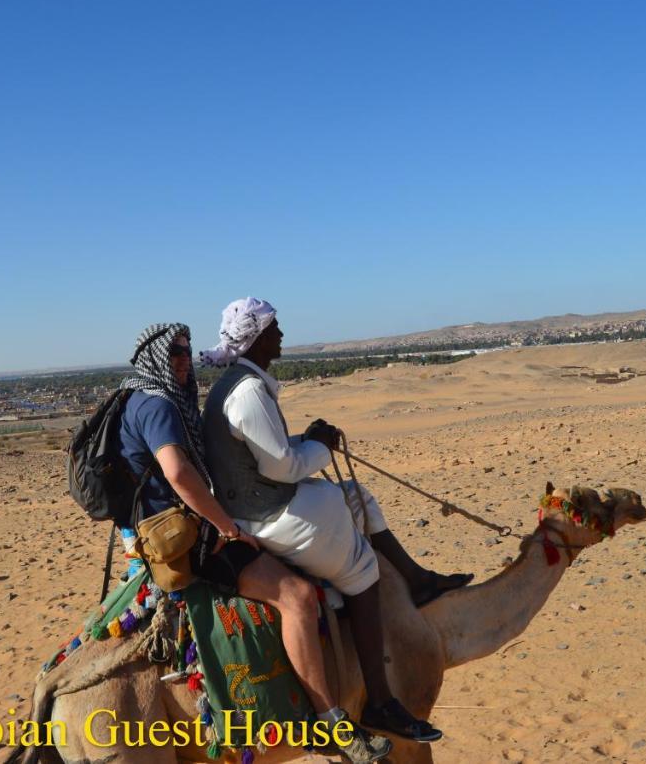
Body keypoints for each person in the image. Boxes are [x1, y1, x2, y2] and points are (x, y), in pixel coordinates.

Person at [200, 299, 472, 744]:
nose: (281, 335)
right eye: (274, 328)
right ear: (257, 337)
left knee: (357, 497)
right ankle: (381, 701)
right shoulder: (247, 391)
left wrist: (307, 439)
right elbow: (282, 468)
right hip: (265, 515)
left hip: (263, 502)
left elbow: (265, 451)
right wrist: (321, 447)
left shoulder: (242, 384)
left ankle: (417, 578)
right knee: (363, 574)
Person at [117, 323, 390, 764]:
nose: (184, 360)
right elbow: (178, 473)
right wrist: (226, 527)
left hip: (165, 532)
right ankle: (331, 721)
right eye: (174, 353)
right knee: (298, 597)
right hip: (194, 539)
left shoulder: (135, 400)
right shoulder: (157, 406)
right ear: (153, 360)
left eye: (187, 351)